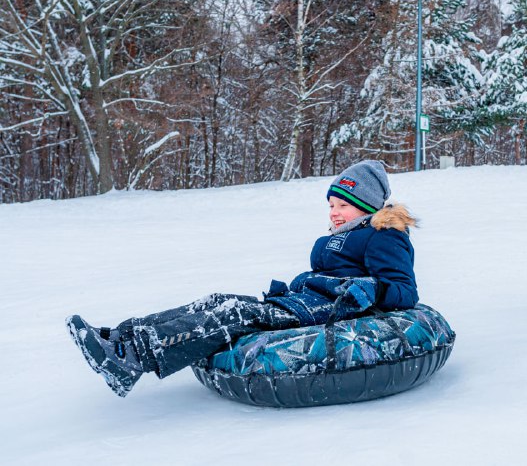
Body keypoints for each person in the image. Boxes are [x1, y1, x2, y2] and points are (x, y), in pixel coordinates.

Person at [66, 160, 419, 397]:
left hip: (332, 309)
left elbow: (404, 290)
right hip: (304, 300)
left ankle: (131, 360)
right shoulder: (341, 235)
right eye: (331, 206)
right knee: (217, 301)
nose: (334, 213)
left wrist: (366, 289)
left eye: (343, 206)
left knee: (233, 314)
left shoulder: (384, 233)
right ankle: (120, 337)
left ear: (368, 205)